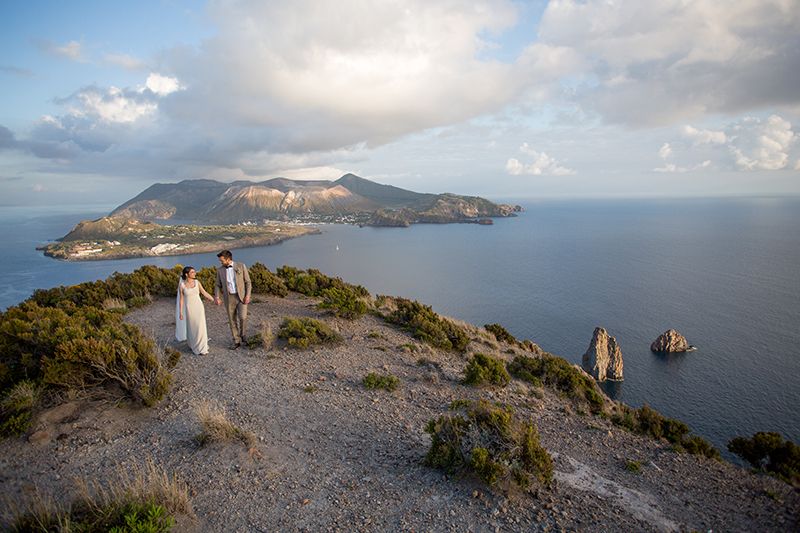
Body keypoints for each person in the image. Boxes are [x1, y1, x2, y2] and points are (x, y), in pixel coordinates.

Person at [214, 250, 251, 349]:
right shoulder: (220, 270)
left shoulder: (241, 266)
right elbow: (217, 285)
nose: (220, 262)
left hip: (241, 297)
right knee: (232, 319)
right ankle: (236, 340)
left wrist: (247, 295)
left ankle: (243, 335)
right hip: (229, 297)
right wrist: (217, 297)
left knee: (243, 317)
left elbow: (248, 282)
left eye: (221, 260)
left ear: (228, 259)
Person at [176, 266, 214, 355]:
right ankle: (193, 344)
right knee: (192, 327)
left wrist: (213, 299)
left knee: (200, 326)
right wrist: (181, 312)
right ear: (187, 274)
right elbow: (181, 300)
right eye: (192, 272)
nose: (195, 273)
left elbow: (204, 292)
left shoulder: (197, 282)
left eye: (194, 271)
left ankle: (202, 347)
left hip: (199, 307)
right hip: (189, 309)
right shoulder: (182, 285)